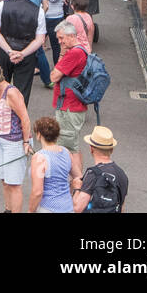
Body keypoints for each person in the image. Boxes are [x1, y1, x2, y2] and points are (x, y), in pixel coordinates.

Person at [0, 60, 33, 213]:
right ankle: (8, 209)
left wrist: (26, 142)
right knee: (5, 181)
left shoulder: (12, 93)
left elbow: (25, 118)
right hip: (2, 141)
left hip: (15, 143)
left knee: (14, 184)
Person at [0, 0, 47, 104]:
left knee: (0, 87)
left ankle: (0, 118)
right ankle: (19, 121)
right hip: (26, 54)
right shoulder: (38, 11)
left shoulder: (3, 5)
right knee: (22, 92)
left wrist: (9, 51)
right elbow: (40, 40)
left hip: (3, 52)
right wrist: (22, 53)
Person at [50, 20, 90, 178]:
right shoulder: (82, 50)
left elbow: (53, 76)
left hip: (68, 107)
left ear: (72, 35)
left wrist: (61, 54)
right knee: (73, 146)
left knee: (68, 148)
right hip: (73, 106)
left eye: (62, 38)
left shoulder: (74, 53)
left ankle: (77, 183)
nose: (59, 42)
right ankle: (78, 181)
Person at [29, 116, 79, 213]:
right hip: (68, 207)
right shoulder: (66, 152)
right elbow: (78, 178)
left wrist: (30, 210)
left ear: (39, 134)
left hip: (48, 208)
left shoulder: (39, 158)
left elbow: (37, 192)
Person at [73, 127, 128, 213]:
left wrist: (77, 189)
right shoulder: (122, 174)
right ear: (112, 150)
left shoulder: (93, 174)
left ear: (91, 149)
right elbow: (121, 208)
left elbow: (77, 208)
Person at [42, 0, 70, 65]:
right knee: (36, 44)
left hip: (55, 19)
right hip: (43, 17)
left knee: (55, 46)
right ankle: (38, 67)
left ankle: (58, 69)